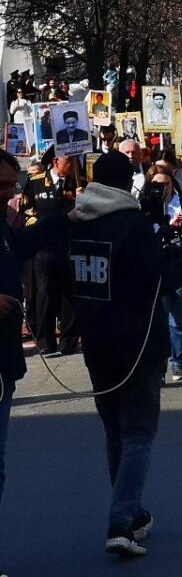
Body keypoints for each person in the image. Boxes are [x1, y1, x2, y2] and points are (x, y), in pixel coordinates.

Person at [65, 152, 178, 558]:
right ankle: (121, 520)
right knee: (137, 434)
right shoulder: (132, 226)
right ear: (127, 181)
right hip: (138, 345)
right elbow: (158, 279)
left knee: (115, 431)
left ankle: (131, 512)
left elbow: (60, 274)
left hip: (98, 345)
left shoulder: (76, 222)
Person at [1, 149, 61, 508]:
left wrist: (63, 219)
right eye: (2, 185)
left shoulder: (4, 227)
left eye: (12, 184)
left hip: (4, 361)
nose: (10, 193)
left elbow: (22, 244)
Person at [144, 163, 182, 380]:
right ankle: (159, 367)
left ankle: (178, 362)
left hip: (180, 268)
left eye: (166, 184)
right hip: (156, 270)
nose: (162, 189)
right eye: (157, 185)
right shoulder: (145, 209)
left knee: (178, 320)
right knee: (158, 322)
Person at [21, 152, 82, 356]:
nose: (74, 163)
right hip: (44, 247)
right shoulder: (36, 182)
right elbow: (27, 213)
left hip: (70, 245)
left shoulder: (79, 183)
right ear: (57, 161)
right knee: (45, 293)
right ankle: (45, 340)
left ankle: (69, 340)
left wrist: (83, 199)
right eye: (70, 160)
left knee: (70, 293)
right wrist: (42, 230)